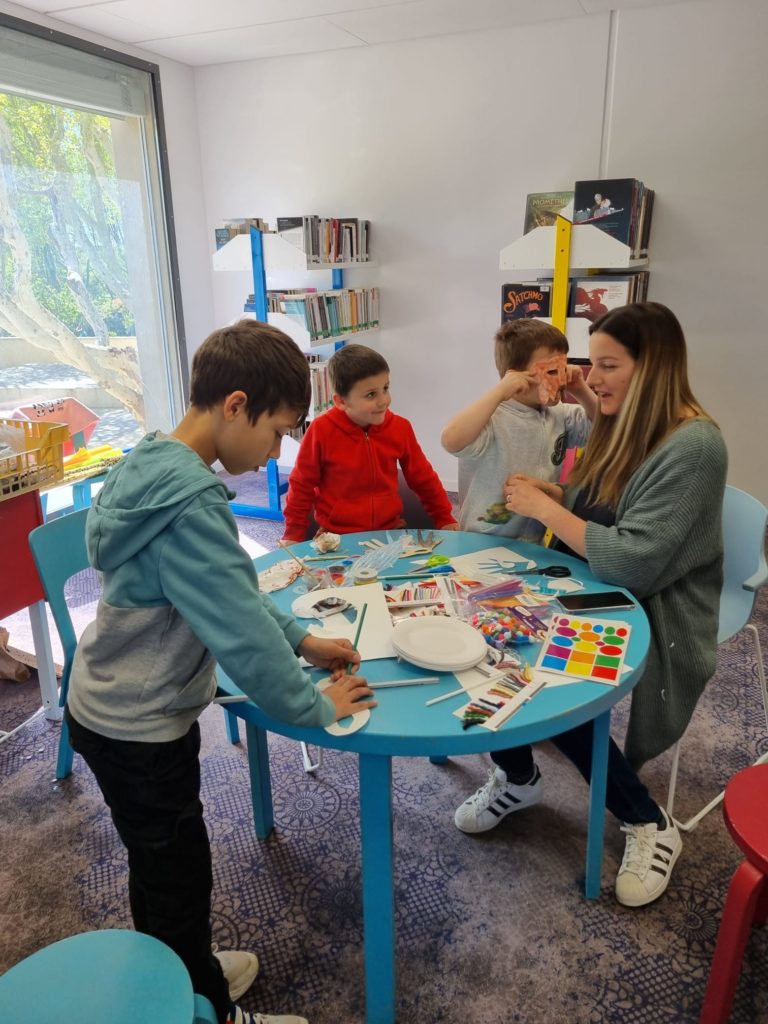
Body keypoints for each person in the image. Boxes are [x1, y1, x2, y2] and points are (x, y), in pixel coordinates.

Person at [65, 320, 377, 1024]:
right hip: (137, 728)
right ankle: (201, 1007)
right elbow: (241, 637)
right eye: (277, 432)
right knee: (176, 878)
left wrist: (301, 639)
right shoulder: (191, 508)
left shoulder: (155, 464)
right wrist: (315, 704)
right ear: (235, 404)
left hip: (112, 707)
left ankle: (182, 973)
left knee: (162, 866)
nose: (276, 453)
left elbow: (233, 595)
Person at [453, 302, 728, 908]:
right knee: (488, 634)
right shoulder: (635, 422)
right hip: (597, 576)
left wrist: (548, 508)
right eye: (587, 362)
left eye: (606, 365)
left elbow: (633, 560)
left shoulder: (696, 445)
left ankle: (647, 820)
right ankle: (520, 778)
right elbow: (604, 495)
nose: (589, 376)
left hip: (655, 601)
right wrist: (562, 492)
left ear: (652, 367)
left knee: (555, 677)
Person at [281, 343, 458, 542]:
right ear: (341, 401)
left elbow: (423, 478)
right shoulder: (321, 431)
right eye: (371, 394)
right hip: (337, 538)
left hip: (389, 533)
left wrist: (444, 517)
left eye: (385, 388)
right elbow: (301, 486)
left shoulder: (400, 427)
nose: (384, 400)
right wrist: (292, 535)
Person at [441, 319, 597, 540]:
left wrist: (580, 388)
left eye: (564, 367)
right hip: (481, 541)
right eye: (552, 371)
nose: (561, 380)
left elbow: (608, 428)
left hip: (532, 543)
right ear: (515, 377)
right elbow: (451, 440)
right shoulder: (491, 418)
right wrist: (500, 391)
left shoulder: (559, 414)